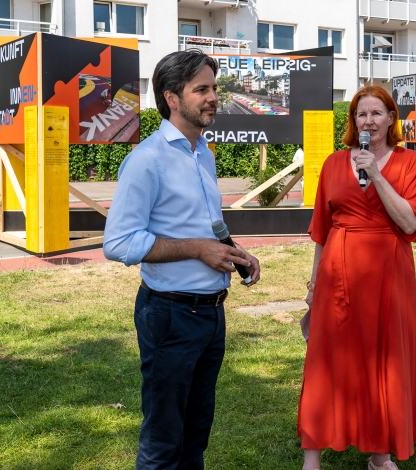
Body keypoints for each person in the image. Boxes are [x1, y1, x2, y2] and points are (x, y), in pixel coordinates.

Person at [103, 50, 261, 470]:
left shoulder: (202, 152)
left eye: (214, 88)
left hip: (211, 314)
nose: (213, 98)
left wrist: (234, 252)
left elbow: (206, 225)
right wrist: (196, 249)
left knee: (195, 435)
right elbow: (118, 242)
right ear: (172, 98)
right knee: (163, 442)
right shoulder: (147, 159)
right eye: (201, 89)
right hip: (170, 316)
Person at [297, 85, 416, 470]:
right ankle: (312, 459)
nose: (368, 121)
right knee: (327, 359)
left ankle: (379, 455)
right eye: (361, 114)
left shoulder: (409, 163)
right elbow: (321, 231)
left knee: (384, 359)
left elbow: (410, 223)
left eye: (376, 113)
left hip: (389, 273)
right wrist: (313, 286)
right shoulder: (332, 164)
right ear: (353, 121)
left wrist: (375, 173)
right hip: (338, 272)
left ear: (391, 119)